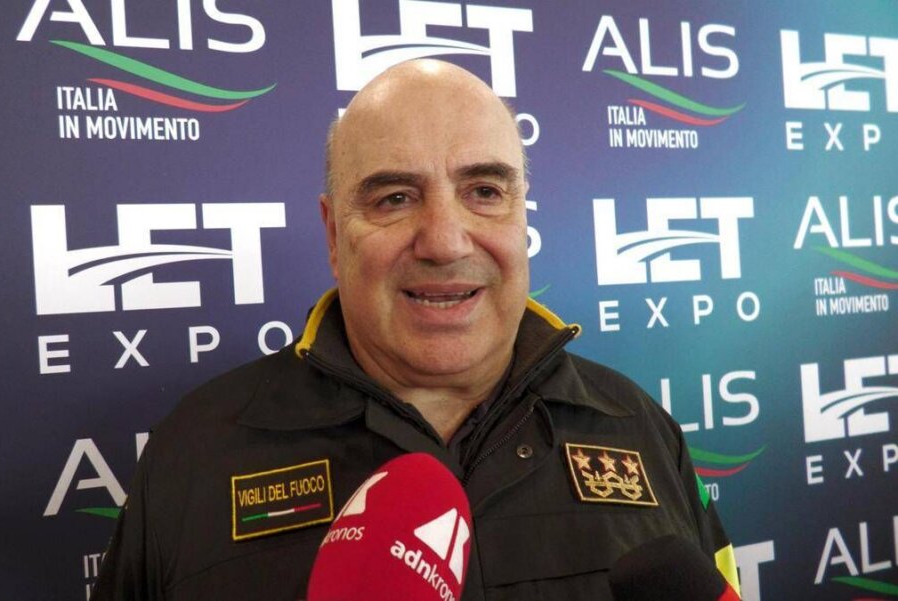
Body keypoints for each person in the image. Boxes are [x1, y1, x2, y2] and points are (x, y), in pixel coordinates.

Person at [91, 59, 738, 600]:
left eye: (484, 191)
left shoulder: (638, 425)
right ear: (334, 234)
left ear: (522, 215)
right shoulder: (195, 453)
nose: (445, 241)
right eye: (394, 198)